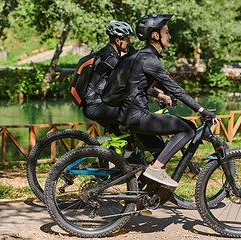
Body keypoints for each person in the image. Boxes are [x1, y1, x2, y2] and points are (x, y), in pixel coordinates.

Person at [116, 13, 218, 187]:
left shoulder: (141, 56)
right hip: (137, 116)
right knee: (188, 128)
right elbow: (175, 89)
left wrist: (159, 95)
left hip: (129, 115)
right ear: (156, 35)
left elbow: (138, 86)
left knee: (159, 151)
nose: (169, 36)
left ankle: (139, 198)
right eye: (166, 32)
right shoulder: (150, 60)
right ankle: (156, 170)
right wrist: (201, 110)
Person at [82, 20, 169, 162]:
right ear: (118, 40)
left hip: (99, 104)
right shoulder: (111, 59)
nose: (129, 42)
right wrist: (159, 94)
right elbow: (132, 83)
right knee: (136, 115)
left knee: (133, 114)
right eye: (127, 39)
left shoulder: (108, 54)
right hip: (97, 106)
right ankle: (131, 156)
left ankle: (122, 156)